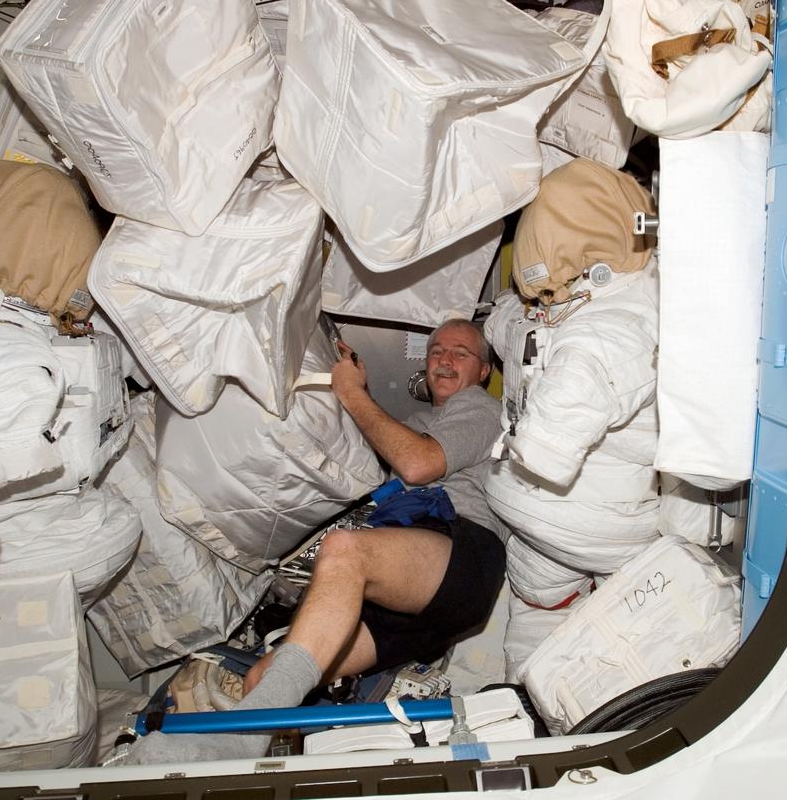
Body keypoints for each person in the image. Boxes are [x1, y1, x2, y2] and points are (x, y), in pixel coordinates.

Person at [116, 320, 507, 765]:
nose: (444, 358)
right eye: (436, 350)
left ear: (483, 372)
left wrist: (352, 392)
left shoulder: (481, 409)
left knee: (345, 551)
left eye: (461, 352)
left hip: (461, 556)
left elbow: (418, 464)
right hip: (414, 602)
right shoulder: (418, 422)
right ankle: (266, 771)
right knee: (264, 680)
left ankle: (238, 740)